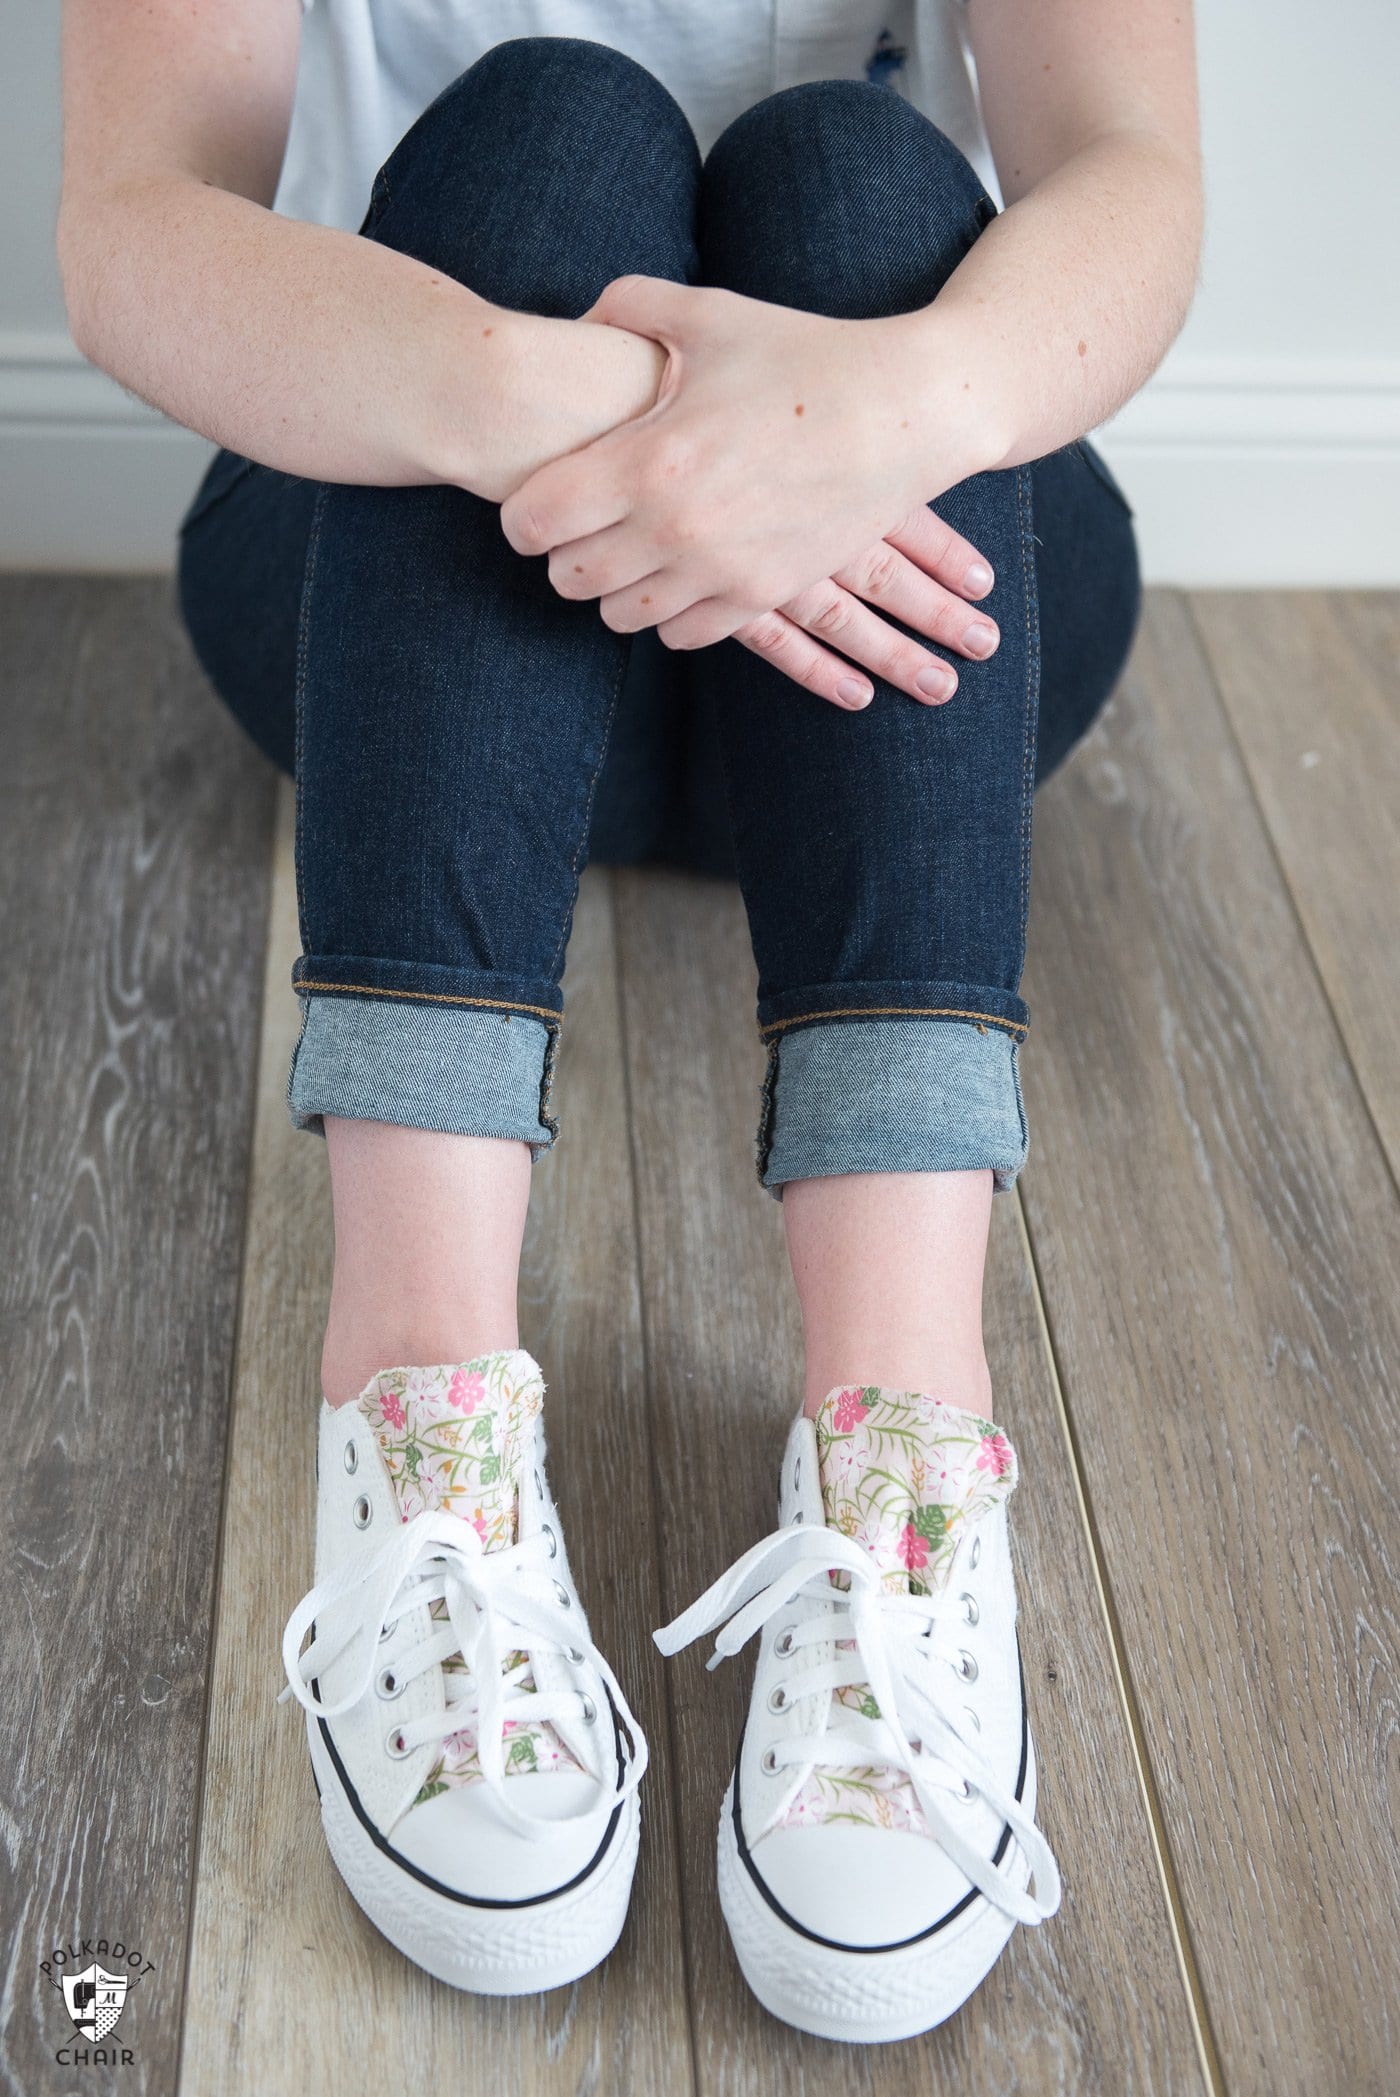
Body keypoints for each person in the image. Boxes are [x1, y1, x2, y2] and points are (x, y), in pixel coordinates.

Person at [57, 0, 1200, 2044]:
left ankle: (904, 1456)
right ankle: (415, 1403)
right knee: (543, 140)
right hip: (402, 589)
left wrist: (866, 408)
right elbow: (134, 216)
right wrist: (513, 376)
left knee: (855, 192)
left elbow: (1131, 173)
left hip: (892, 591)